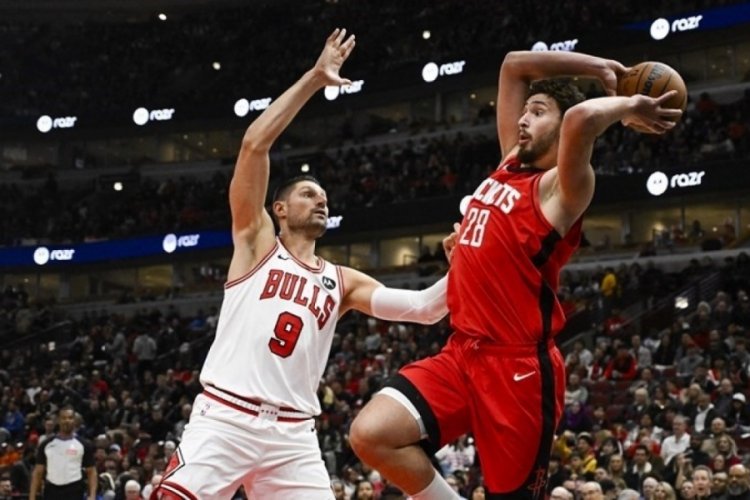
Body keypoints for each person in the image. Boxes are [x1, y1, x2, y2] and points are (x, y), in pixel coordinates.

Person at [350, 50, 681, 498]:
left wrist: (627, 103)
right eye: (525, 109)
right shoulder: (509, 163)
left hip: (519, 370)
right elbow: (511, 65)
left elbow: (582, 118)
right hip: (462, 352)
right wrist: (597, 66)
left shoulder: (562, 190)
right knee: (371, 434)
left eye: (538, 112)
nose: (523, 118)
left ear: (560, 130)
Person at [151, 29, 451, 499]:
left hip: (293, 437)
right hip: (226, 419)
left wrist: (470, 258)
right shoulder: (255, 244)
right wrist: (315, 78)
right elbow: (254, 145)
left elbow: (425, 308)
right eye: (309, 193)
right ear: (280, 209)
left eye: (325, 197)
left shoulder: (342, 280)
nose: (321, 200)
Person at [28, 406, 97, 500]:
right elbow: (38, 472)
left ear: (74, 421)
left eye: (70, 418)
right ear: (58, 420)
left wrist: (92, 496)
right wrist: (32, 496)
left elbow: (91, 472)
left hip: (74, 489)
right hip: (51, 489)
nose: (67, 420)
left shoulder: (83, 444)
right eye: (64, 418)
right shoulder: (46, 444)